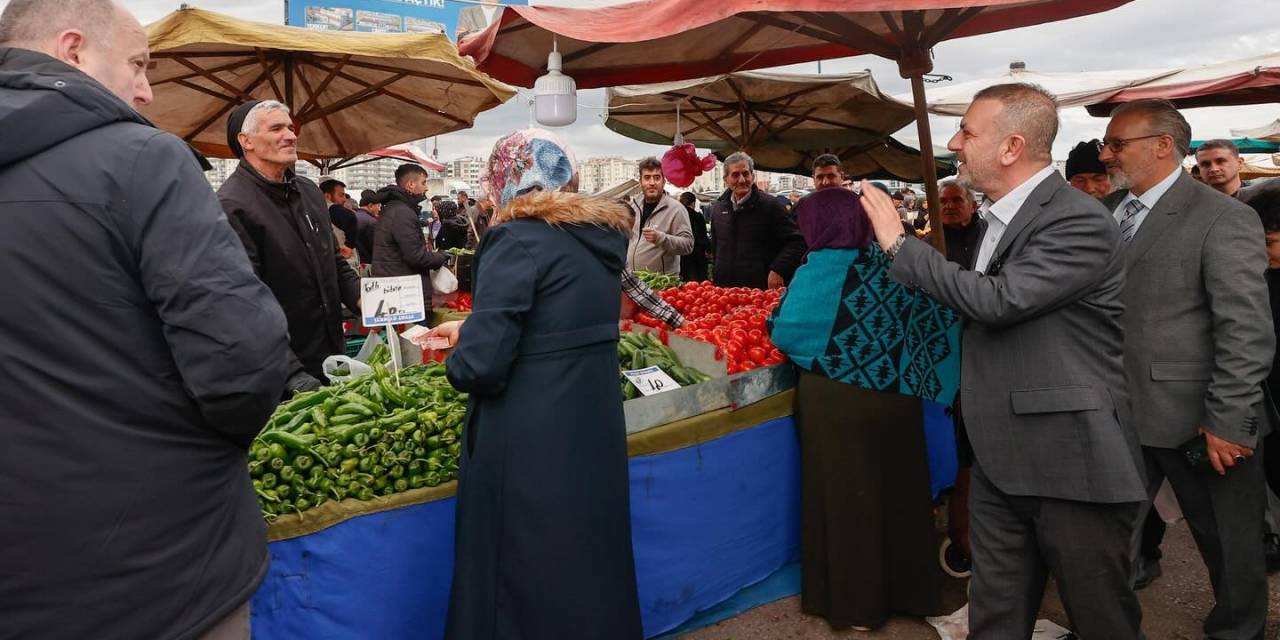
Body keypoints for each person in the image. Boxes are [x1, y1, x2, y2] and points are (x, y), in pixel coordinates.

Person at [0, 1, 291, 637]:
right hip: (160, 566)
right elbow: (243, 360)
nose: (146, 90)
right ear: (73, 49)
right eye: (137, 64)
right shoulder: (141, 158)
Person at [859, 83, 1147, 638]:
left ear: (1011, 147)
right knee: (994, 614)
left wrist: (899, 244)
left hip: (1068, 459)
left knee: (1101, 618)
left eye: (967, 132)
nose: (954, 143)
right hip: (997, 455)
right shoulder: (999, 218)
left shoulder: (1078, 220)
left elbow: (1000, 301)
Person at [430, 129, 643, 639]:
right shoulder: (597, 239)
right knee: (588, 560)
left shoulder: (515, 237)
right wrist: (473, 326)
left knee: (522, 571)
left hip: (529, 439)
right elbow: (555, 320)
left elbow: (481, 366)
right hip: (591, 427)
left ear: (505, 176)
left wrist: (460, 354)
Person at [1098, 99, 1273, 640]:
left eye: (1117, 144)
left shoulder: (1223, 216)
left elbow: (1245, 328)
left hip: (1198, 420)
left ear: (1162, 145)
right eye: (1106, 143)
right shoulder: (1106, 211)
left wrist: (1229, 419)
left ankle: (1237, 630)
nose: (1105, 155)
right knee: (1102, 535)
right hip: (1112, 410)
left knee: (1228, 541)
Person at [771, 187, 960, 631]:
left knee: (847, 499)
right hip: (895, 399)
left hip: (837, 404)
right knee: (899, 493)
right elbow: (935, 319)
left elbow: (788, 332)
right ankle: (910, 592)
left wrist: (771, 318)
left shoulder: (822, 267)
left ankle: (858, 605)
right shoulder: (894, 260)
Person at [219, 100, 361, 392]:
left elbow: (333, 262)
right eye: (276, 128)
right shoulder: (231, 205)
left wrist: (367, 300)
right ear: (246, 141)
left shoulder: (308, 191)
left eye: (291, 128)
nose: (290, 135)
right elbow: (242, 304)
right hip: (281, 371)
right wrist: (291, 373)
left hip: (332, 355)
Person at [708, 152, 806, 289]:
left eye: (746, 174)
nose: (742, 180)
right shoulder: (718, 208)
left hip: (759, 289)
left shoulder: (770, 205)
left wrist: (778, 270)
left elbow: (796, 242)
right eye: (735, 175)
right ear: (726, 180)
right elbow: (716, 247)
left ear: (752, 176)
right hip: (725, 289)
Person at [372, 164, 450, 305]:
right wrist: (441, 256)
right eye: (423, 183)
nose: (426, 188)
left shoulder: (394, 208)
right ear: (411, 184)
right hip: (405, 294)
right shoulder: (402, 212)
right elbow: (416, 257)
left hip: (395, 287)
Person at [627, 156, 693, 274]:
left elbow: (688, 245)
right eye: (647, 178)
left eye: (657, 178)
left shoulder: (676, 209)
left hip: (661, 282)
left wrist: (661, 238)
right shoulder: (633, 206)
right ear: (640, 182)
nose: (652, 183)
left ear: (664, 181)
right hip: (634, 281)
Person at [936, 179, 984, 269]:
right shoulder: (931, 243)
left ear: (973, 206)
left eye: (957, 200)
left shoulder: (987, 235)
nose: (949, 206)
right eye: (942, 201)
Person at [320, 177, 359, 252]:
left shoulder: (314, 211)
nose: (344, 199)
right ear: (327, 196)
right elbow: (350, 216)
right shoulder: (335, 209)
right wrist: (349, 246)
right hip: (343, 255)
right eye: (341, 195)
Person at [679, 191, 710, 282]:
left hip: (682, 255)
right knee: (698, 285)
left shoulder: (677, 216)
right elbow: (703, 236)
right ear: (693, 203)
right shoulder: (698, 217)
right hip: (697, 255)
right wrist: (708, 249)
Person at [354, 189, 381, 266]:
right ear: (370, 206)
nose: (379, 209)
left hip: (356, 261)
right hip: (367, 263)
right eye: (378, 206)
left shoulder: (352, 216)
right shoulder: (372, 222)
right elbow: (374, 247)